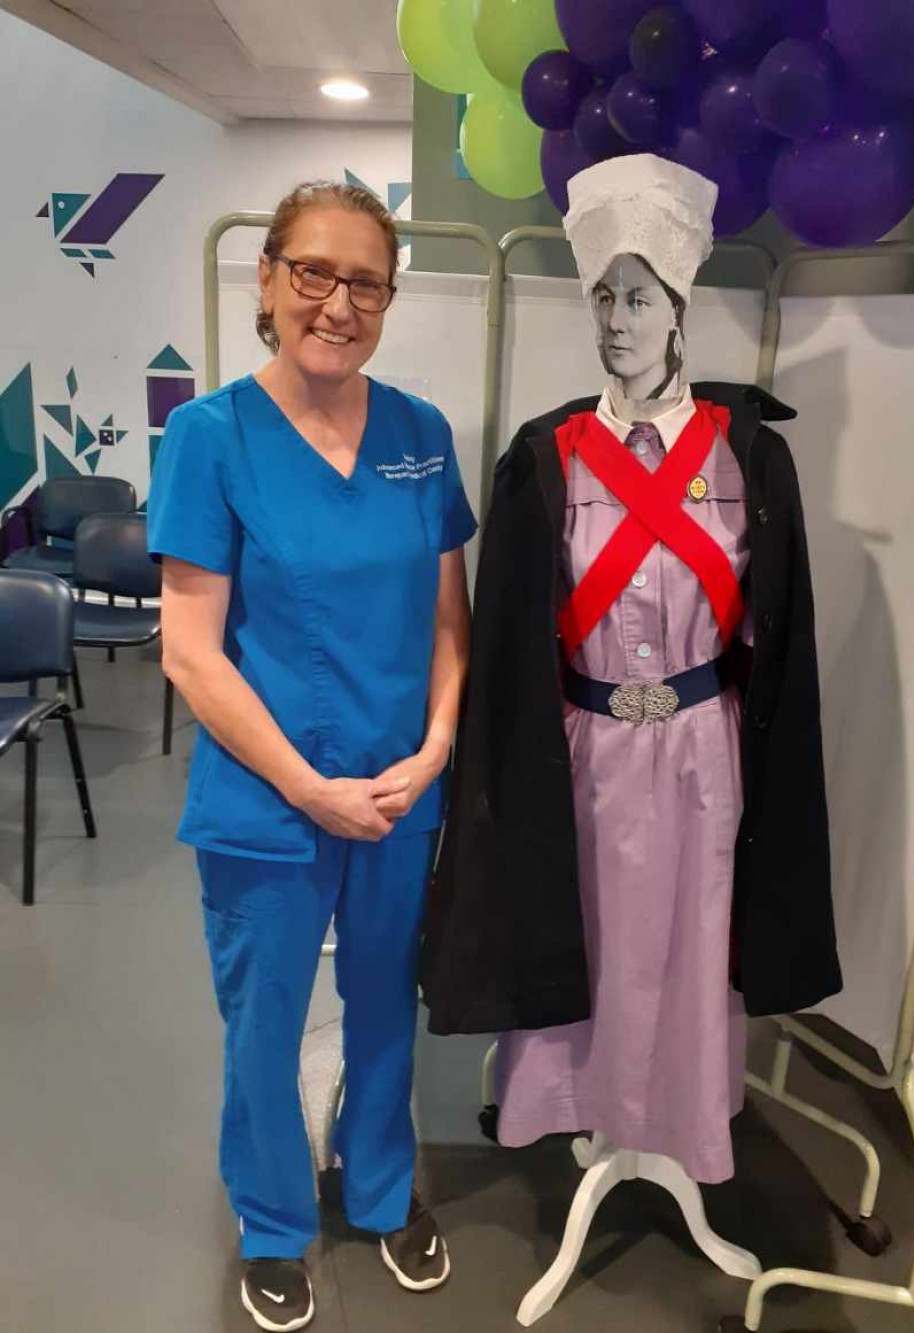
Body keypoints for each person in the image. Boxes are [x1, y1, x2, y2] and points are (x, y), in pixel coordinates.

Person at [422, 155, 841, 1180]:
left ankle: (679, 1129)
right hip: (582, 750)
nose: (615, 319)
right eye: (602, 295)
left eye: (637, 297)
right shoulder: (544, 457)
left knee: (694, 951)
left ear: (677, 306)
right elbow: (515, 637)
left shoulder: (749, 458)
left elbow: (776, 638)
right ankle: (582, 1113)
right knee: (587, 939)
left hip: (704, 751)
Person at [147, 180, 476, 1331]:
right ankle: (275, 1220)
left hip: (394, 793)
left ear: (389, 296)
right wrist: (305, 786)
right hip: (266, 802)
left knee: (389, 1002)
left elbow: (449, 623)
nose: (338, 303)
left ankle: (382, 1193)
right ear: (268, 280)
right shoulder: (209, 436)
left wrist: (433, 749)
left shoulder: (422, 437)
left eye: (365, 281)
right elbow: (189, 652)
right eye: (314, 274)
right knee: (267, 1015)